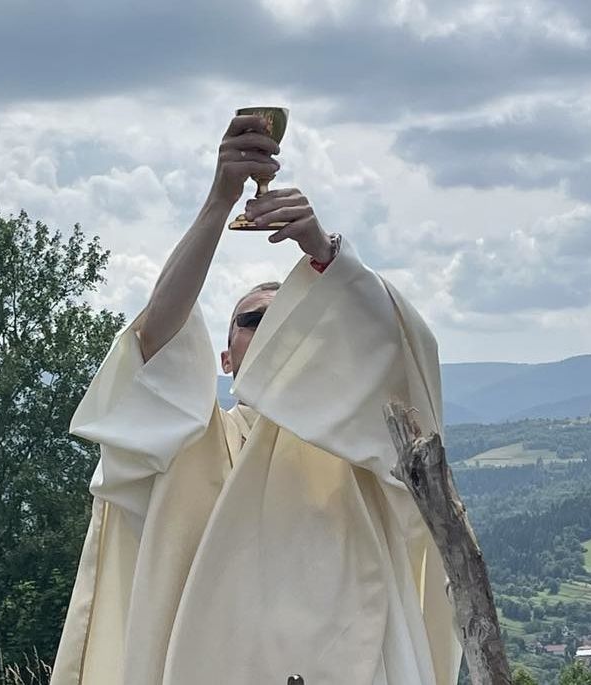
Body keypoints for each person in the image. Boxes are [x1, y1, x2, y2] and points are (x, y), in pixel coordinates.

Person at [51, 114, 462, 685]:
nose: (270, 331)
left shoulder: (353, 443)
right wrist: (220, 200)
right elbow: (153, 346)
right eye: (252, 321)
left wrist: (324, 255)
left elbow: (402, 361)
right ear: (225, 360)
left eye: (290, 321)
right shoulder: (194, 441)